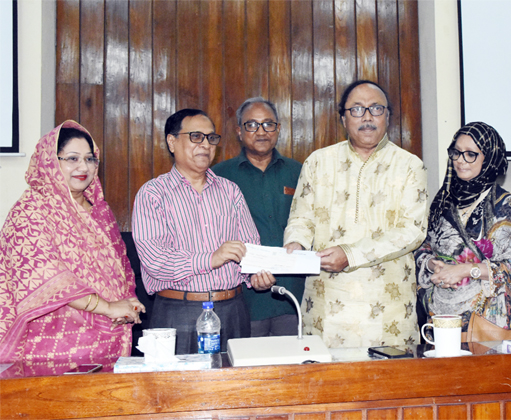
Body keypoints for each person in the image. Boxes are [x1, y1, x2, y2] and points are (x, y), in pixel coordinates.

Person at [283, 80, 429, 348]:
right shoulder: (318, 161)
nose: (367, 117)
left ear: (388, 116)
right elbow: (301, 217)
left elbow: (413, 231)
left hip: (388, 307)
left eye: (376, 109)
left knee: (390, 385)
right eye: (357, 110)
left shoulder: (410, 166)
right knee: (328, 385)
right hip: (327, 300)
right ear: (343, 118)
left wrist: (350, 254)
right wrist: (296, 242)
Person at [0, 121, 144, 375]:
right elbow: (47, 277)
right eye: (72, 158)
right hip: (48, 349)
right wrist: (109, 307)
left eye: (90, 159)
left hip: (107, 339)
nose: (83, 167)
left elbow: (121, 266)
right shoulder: (31, 210)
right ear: (50, 162)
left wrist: (126, 302)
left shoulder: (99, 210)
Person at [132, 109, 275, 354]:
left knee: (235, 390)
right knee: (178, 391)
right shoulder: (153, 193)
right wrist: (211, 258)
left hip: (233, 309)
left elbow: (250, 248)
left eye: (211, 138)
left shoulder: (230, 191)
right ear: (172, 141)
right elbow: (155, 261)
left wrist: (256, 277)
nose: (206, 145)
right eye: (196, 137)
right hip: (179, 311)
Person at [414, 122, 511, 333]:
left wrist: (466, 270)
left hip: (487, 321)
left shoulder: (504, 206)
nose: (460, 160)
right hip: (440, 316)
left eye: (470, 154)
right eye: (456, 153)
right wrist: (432, 265)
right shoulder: (444, 200)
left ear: (489, 158)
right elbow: (423, 246)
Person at [213, 97, 304, 336]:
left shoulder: (301, 172)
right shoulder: (219, 176)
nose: (261, 131)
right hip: (243, 298)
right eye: (252, 125)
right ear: (239, 132)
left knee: (292, 369)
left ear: (278, 129)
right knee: (247, 370)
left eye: (268, 124)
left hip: (292, 296)